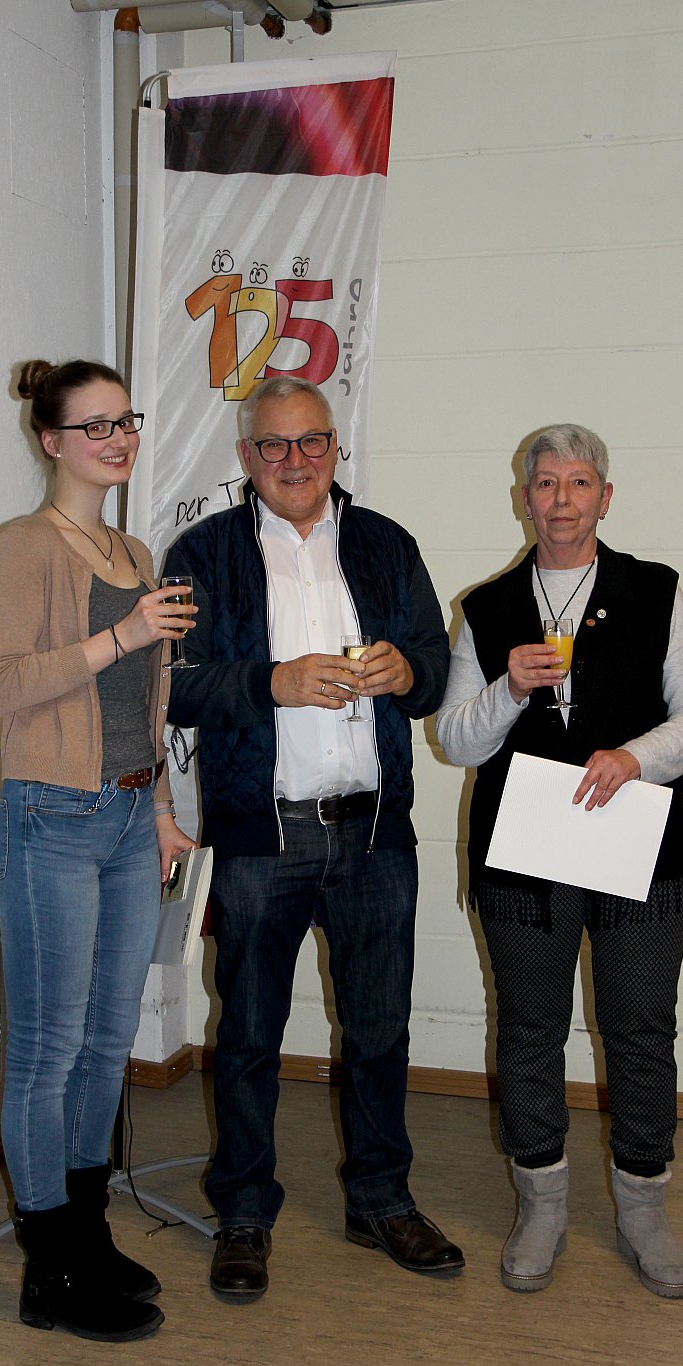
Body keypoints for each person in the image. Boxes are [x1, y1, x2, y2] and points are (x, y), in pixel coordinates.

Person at [163, 376, 463, 1300]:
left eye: (312, 442)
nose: (294, 460)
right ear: (245, 457)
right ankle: (243, 1212)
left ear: (335, 448)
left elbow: (436, 672)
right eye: (274, 445)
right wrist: (271, 683)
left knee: (378, 1031)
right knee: (249, 1035)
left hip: (374, 833)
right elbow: (172, 686)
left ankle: (379, 1200)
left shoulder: (385, 544)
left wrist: (407, 669)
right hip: (262, 837)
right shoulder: (203, 552)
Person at [436, 424, 683, 1300]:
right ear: (522, 498)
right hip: (524, 854)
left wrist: (636, 757)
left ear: (604, 497)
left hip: (641, 843)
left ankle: (642, 1207)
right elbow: (455, 740)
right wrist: (507, 688)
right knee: (528, 1027)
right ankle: (541, 1203)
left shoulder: (654, 590)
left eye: (578, 482)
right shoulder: (485, 607)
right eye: (545, 483)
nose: (560, 499)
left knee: (638, 1027)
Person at [0, 357, 195, 1341]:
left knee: (108, 1042)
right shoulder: (21, 547)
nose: (118, 439)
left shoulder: (133, 551)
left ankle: (87, 1232)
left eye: (126, 421)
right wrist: (121, 636)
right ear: (52, 441)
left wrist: (162, 807)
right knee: (46, 1050)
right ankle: (48, 1266)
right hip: (51, 818)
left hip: (129, 816)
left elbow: (146, 703)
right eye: (96, 425)